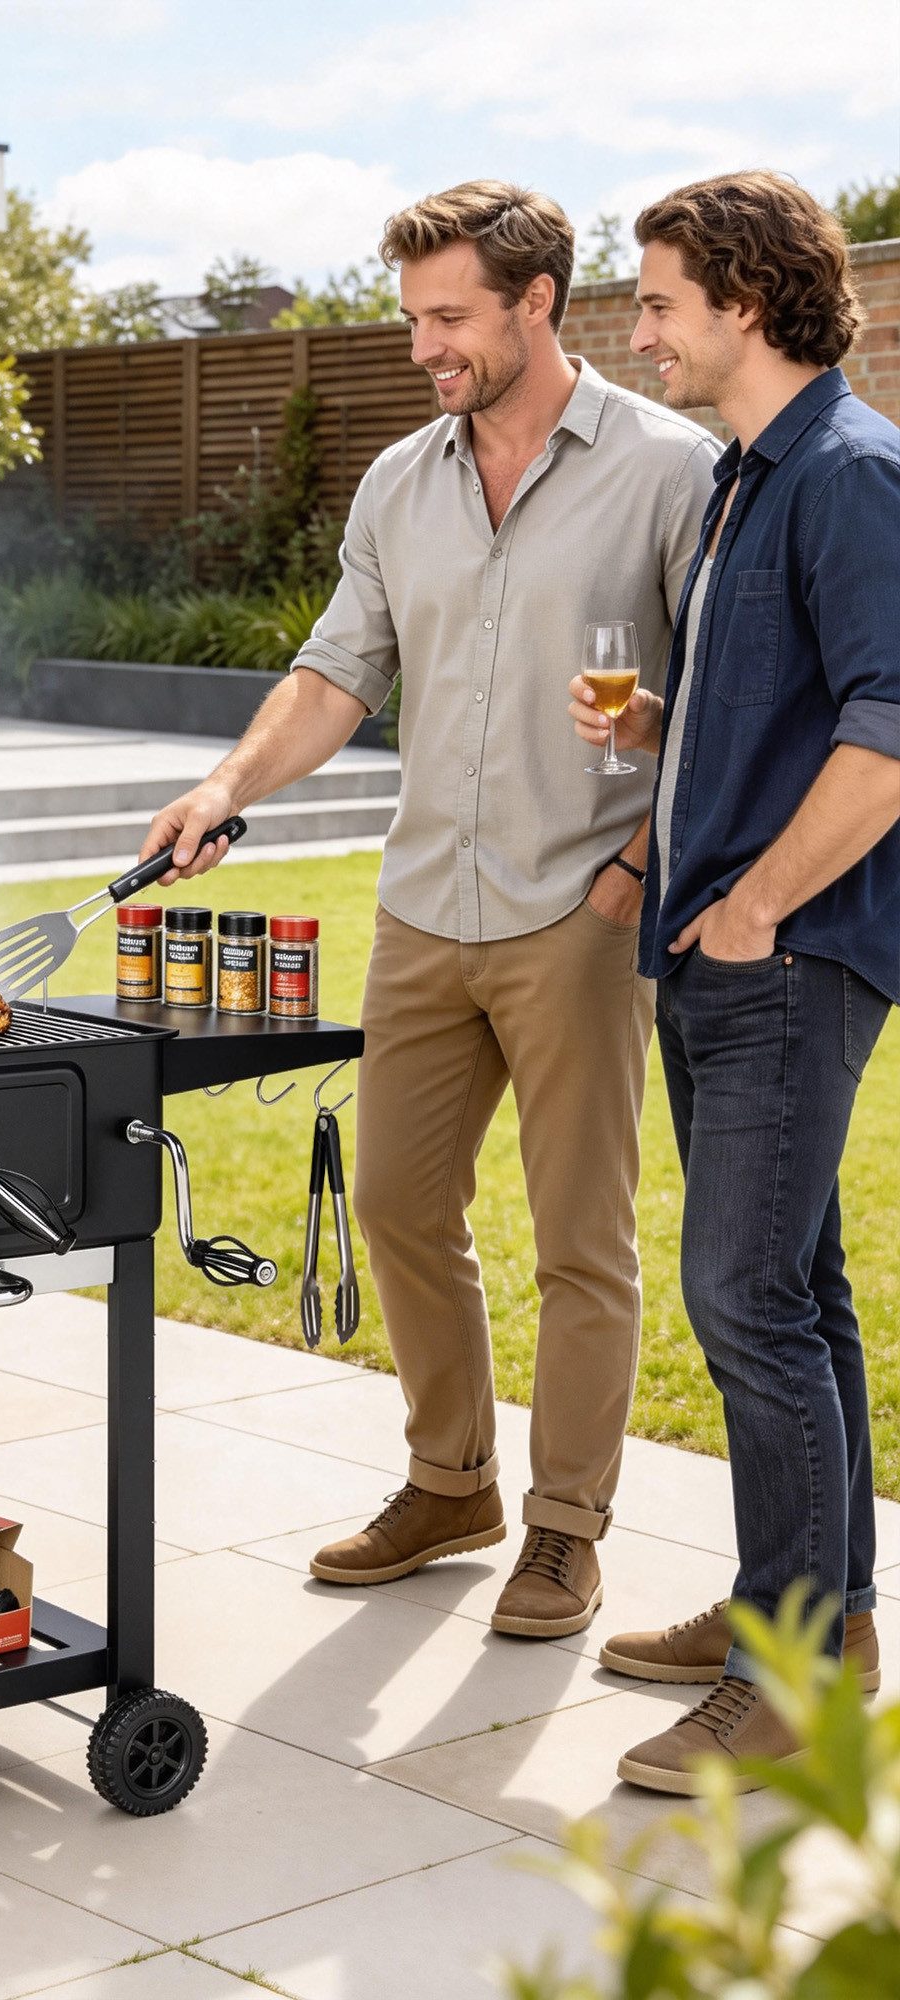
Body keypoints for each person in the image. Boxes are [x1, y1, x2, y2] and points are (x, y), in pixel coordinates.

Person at [139, 183, 717, 1640]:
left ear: (537, 303)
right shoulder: (402, 480)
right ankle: (449, 1478)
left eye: (450, 318)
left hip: (580, 908)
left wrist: (636, 870)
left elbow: (717, 707)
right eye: (413, 319)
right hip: (425, 907)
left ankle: (566, 1527)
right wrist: (226, 786)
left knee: (583, 1235)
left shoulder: (670, 470)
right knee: (397, 1201)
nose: (425, 348)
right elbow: (339, 670)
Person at [561, 173, 900, 1792]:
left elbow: (891, 735)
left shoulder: (850, 474)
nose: (638, 331)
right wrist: (647, 731)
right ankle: (818, 1625)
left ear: (746, 305)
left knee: (743, 1299)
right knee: (797, 1289)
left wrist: (762, 904)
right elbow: (755, 708)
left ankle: (791, 1674)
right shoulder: (742, 486)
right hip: (706, 943)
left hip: (789, 953)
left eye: (657, 302)